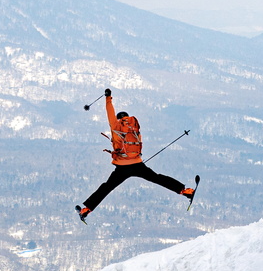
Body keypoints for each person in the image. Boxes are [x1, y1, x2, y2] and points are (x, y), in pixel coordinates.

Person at [77, 89, 192, 222]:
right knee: (157, 178)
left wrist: (108, 97)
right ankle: (185, 191)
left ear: (119, 119)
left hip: (122, 167)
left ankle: (86, 210)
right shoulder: (134, 128)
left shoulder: (116, 126)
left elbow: (109, 111)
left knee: (107, 187)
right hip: (138, 163)